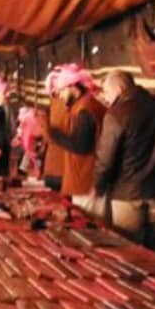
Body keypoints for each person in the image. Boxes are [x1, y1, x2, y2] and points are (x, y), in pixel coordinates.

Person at [94, 71, 155, 246]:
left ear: (119, 89)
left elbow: (105, 159)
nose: (106, 99)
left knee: (129, 251)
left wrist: (98, 185)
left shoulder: (116, 114)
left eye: (107, 93)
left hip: (127, 194)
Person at [45, 65, 107, 216]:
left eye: (61, 91)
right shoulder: (84, 105)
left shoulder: (85, 109)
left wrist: (51, 133)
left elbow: (80, 146)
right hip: (85, 179)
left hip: (86, 180)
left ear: (73, 87)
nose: (59, 95)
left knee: (90, 224)